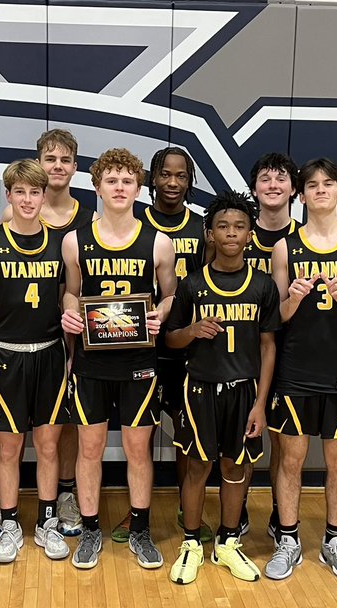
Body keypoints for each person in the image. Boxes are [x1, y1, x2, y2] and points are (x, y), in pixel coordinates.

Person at [60, 147, 177, 570]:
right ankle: (90, 531)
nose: (120, 187)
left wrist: (158, 317)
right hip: (92, 363)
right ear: (97, 186)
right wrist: (69, 313)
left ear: (138, 187)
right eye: (112, 180)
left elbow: (170, 296)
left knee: (137, 448)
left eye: (128, 181)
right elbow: (72, 291)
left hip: (139, 363)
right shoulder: (75, 240)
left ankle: (140, 531)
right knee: (89, 448)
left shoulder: (158, 243)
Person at [264, 158, 337, 582]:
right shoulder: (285, 248)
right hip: (296, 370)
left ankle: (334, 541)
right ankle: (289, 539)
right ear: (302, 195)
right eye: (311, 185)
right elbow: (275, 317)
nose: (320, 191)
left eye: (328, 184)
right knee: (291, 459)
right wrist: (292, 299)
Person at [165, 190, 279, 584]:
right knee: (197, 466)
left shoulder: (263, 285)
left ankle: (228, 543)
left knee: (236, 466)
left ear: (250, 234)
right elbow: (171, 338)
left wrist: (260, 403)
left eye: (240, 227)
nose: (231, 233)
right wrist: (192, 331)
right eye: (223, 226)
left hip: (245, 391)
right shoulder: (192, 284)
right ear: (209, 233)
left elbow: (268, 347)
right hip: (199, 389)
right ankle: (192, 543)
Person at [0, 128, 96, 539]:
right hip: (19, 339)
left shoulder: (87, 219)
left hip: (69, 333)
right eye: (49, 159)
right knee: (20, 435)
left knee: (65, 423)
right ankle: (11, 508)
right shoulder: (10, 218)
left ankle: (64, 494)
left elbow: (85, 286)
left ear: (75, 167)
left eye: (65, 160)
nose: (57, 166)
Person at [0, 159, 72, 563]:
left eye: (35, 192)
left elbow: (69, 296)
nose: (28, 200)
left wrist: (70, 354)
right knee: (8, 450)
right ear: (8, 195)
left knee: (48, 448)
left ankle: (46, 521)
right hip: (4, 356)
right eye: (20, 192)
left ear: (45, 196)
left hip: (49, 354)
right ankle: (10, 522)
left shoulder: (61, 243)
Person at [109, 146, 208, 545]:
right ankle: (138, 515)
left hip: (190, 345)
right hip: (145, 347)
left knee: (187, 433)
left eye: (181, 175)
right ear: (150, 179)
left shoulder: (203, 227)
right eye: (165, 174)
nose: (172, 182)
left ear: (189, 181)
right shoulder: (137, 222)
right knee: (142, 434)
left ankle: (190, 512)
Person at [244, 152, 301, 537]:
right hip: (243, 348)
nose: (273, 185)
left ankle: (281, 513)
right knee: (244, 433)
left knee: (282, 437)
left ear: (293, 189)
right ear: (254, 188)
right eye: (265, 178)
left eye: (281, 178)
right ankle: (240, 507)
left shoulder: (305, 239)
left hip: (293, 348)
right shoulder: (236, 232)